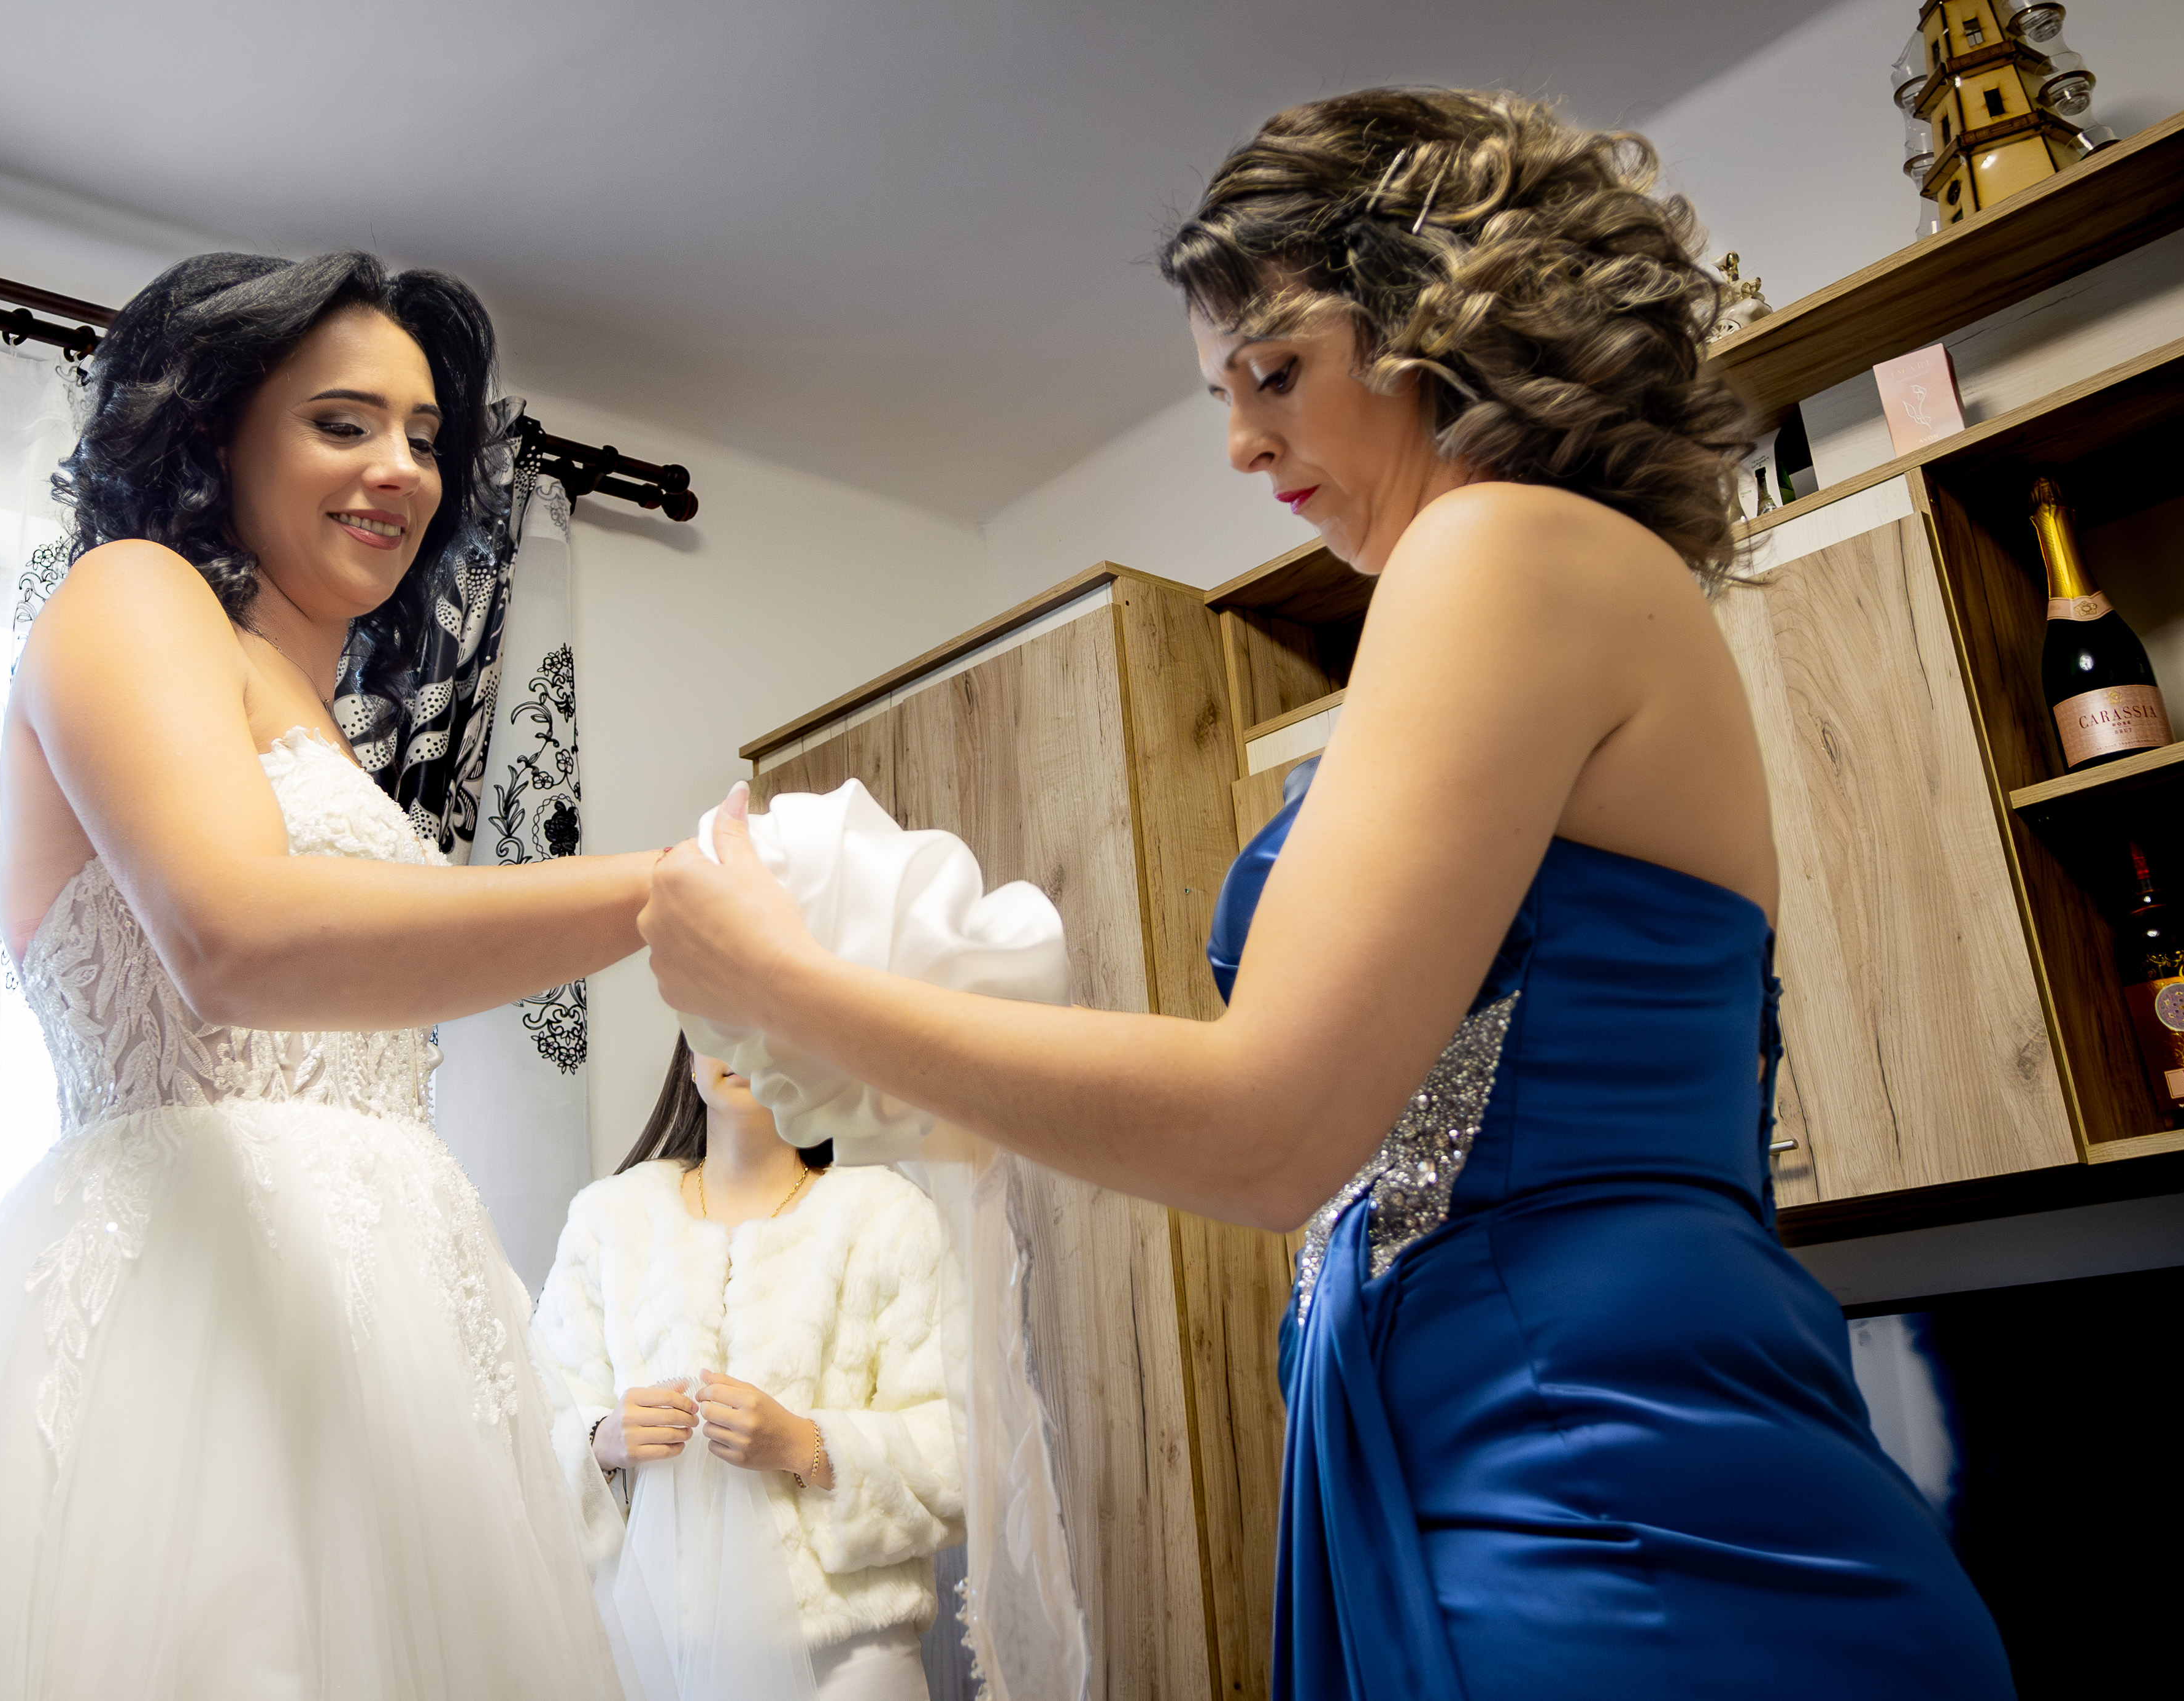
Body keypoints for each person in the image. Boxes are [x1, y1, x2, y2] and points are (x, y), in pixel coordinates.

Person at [638, 90, 2016, 1700]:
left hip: (1589, 1471)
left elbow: (1270, 1128)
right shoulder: (1534, 570)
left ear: (1442, 321)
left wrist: (790, 986)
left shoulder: (1500, 547)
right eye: (1223, 394)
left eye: (1275, 372)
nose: (1239, 443)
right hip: (1499, 1422)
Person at [0, 253, 652, 1699]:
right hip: (191, 1318)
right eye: (343, 423)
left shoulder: (330, 732)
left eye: (425, 438)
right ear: (214, 435)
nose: (402, 469)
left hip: (384, 1332)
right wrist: (661, 894)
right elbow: (231, 937)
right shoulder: (133, 598)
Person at [530, 1035, 959, 1701]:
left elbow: (962, 1452)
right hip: (650, 1654)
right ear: (687, 1047)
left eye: (771, 1018)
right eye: (718, 1018)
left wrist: (807, 1445)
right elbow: (528, 1437)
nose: (744, 1042)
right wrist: (602, 1441)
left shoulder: (889, 1220)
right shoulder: (608, 1222)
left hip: (847, 1659)